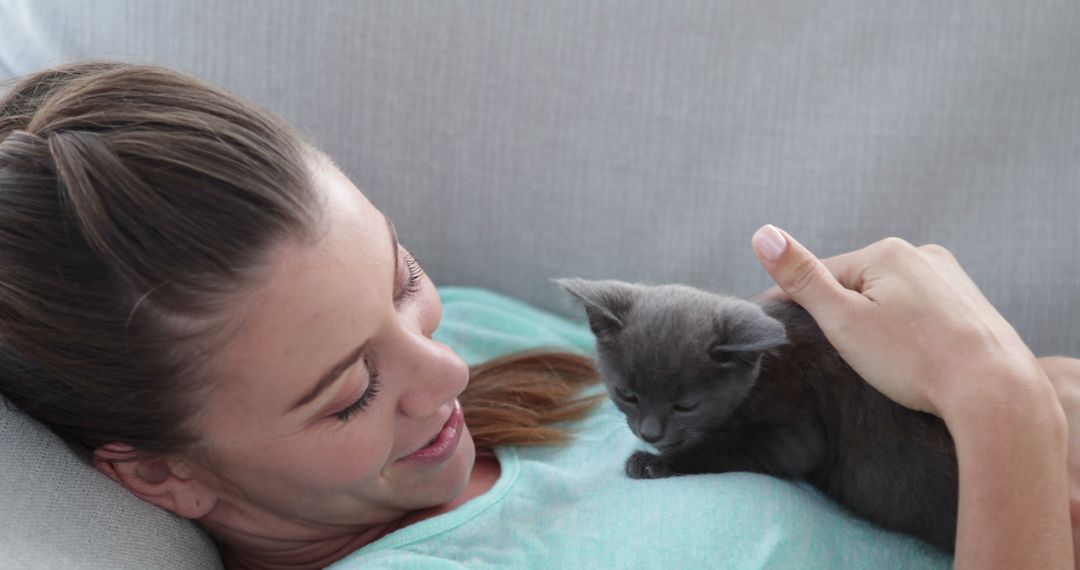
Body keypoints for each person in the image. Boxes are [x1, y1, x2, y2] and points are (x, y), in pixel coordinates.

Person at [0, 62, 1076, 569]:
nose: (444, 371)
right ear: (159, 476)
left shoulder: (459, 340)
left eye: (400, 278)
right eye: (349, 396)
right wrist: (997, 403)